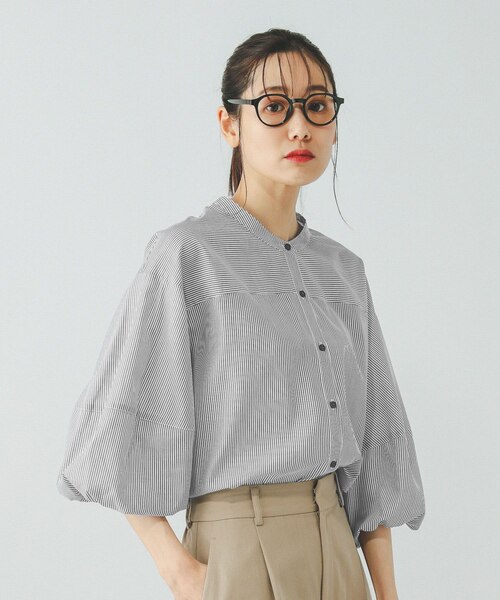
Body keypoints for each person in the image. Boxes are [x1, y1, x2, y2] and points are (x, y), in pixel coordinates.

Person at [56, 28, 425, 600]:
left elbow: (376, 438)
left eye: (317, 106)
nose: (300, 127)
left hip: (340, 550)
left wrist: (387, 592)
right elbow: (113, 427)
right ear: (230, 124)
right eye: (274, 107)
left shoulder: (343, 271)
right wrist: (182, 573)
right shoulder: (187, 255)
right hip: (237, 552)